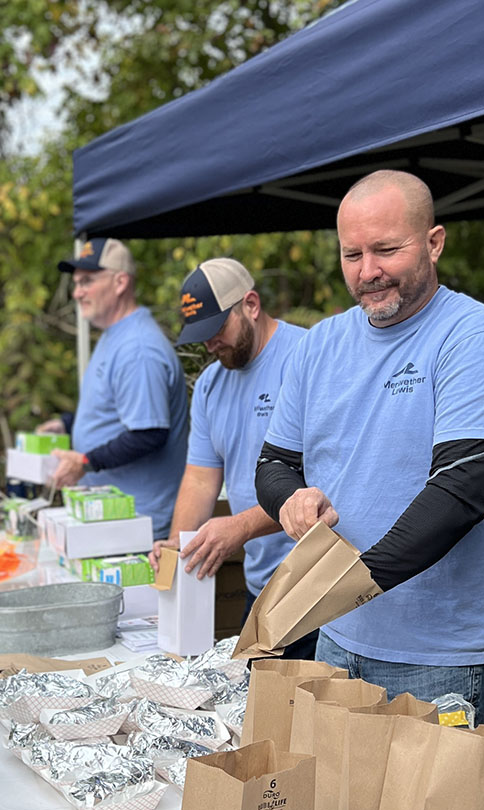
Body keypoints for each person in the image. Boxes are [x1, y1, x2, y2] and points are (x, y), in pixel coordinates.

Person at [255, 170, 484, 723]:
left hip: (442, 660)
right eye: (352, 254)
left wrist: (352, 585)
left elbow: (460, 493)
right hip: (334, 640)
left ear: (434, 243)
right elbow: (274, 464)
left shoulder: (475, 338)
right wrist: (292, 500)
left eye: (387, 249)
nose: (368, 271)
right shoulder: (320, 345)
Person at [150, 257, 317, 656]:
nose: (209, 344)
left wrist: (239, 528)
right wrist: (178, 545)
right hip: (260, 588)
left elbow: (324, 482)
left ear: (251, 305)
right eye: (200, 335)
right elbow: (200, 479)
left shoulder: (307, 358)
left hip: (318, 588)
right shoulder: (210, 384)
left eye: (217, 329)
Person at [43, 237, 188, 539]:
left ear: (120, 282)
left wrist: (85, 462)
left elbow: (149, 433)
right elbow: (116, 412)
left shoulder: (138, 348)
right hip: (115, 518)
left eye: (86, 281)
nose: (77, 292)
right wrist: (68, 425)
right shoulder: (116, 335)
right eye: (76, 283)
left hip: (137, 522)